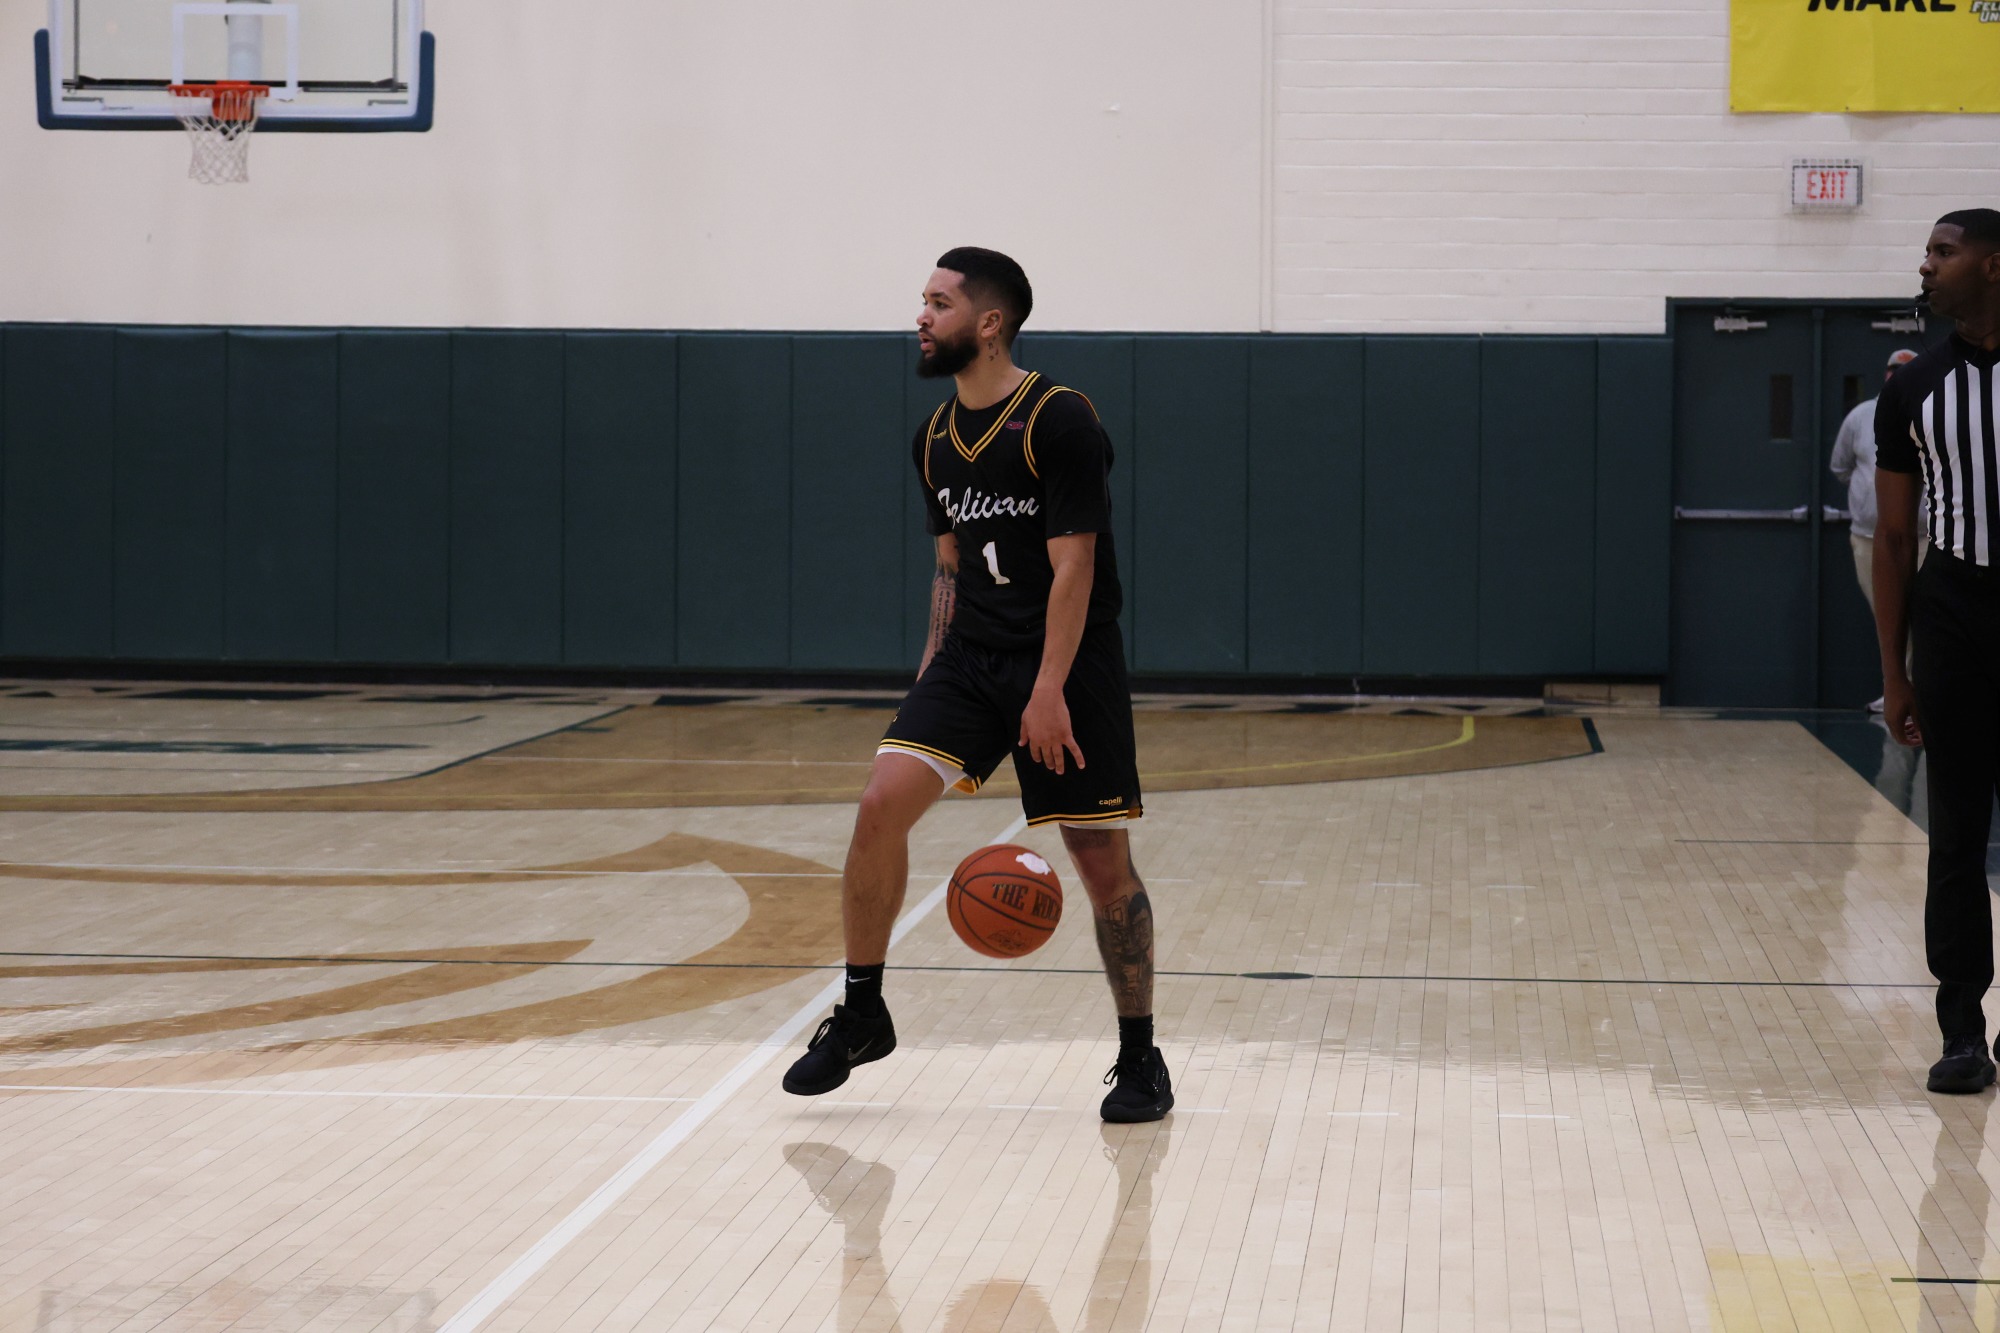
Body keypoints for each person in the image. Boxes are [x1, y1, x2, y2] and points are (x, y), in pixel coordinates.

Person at [782, 247, 1171, 1123]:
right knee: (881, 800)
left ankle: (1141, 1056)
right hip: (969, 659)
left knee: (1098, 858)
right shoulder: (930, 439)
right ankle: (862, 1010)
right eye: (922, 301)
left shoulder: (1060, 419)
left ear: (989, 323)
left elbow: (1076, 571)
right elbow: (949, 569)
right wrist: (930, 677)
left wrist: (1049, 688)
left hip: (1066, 664)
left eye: (938, 302)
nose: (919, 316)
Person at [1872, 207, 2000, 1094]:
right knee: (1955, 835)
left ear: (1993, 267)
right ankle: (1962, 1032)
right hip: (1956, 620)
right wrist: (1895, 670)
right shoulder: (1914, 387)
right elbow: (1891, 537)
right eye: (1928, 252)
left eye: (1943, 252)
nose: (1926, 265)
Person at [1829, 346, 1922, 712]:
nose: (1898, 375)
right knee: (1889, 613)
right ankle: (1900, 688)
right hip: (1869, 538)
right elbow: (1841, 467)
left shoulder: (1935, 411)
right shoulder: (1861, 416)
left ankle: (1916, 691)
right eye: (1893, 369)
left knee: (1923, 616)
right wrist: (1871, 496)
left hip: (1929, 538)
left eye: (1907, 369)